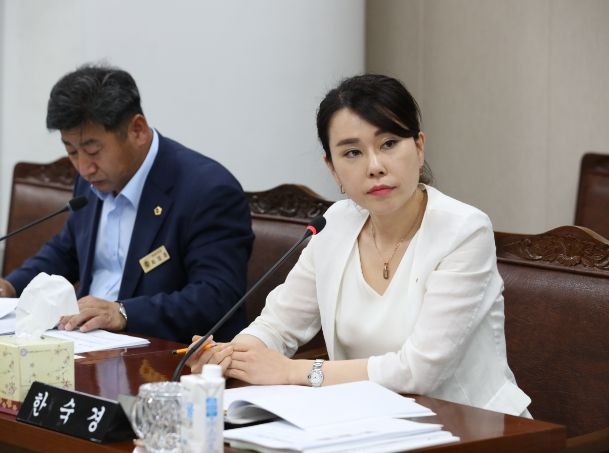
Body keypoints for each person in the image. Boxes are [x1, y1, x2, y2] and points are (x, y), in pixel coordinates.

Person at [187, 74, 531, 417]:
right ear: (332, 168)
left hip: (473, 427)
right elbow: (278, 325)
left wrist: (292, 371)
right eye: (352, 152)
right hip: (367, 423)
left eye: (389, 144)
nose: (375, 167)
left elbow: (420, 371)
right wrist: (230, 357)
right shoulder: (335, 224)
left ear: (419, 147)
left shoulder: (463, 231)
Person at [0, 64, 254, 344]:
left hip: (163, 352)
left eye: (93, 150)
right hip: (86, 342)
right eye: (72, 151)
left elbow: (217, 297)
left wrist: (124, 312)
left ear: (137, 130)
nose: (83, 167)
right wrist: (10, 286)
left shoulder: (207, 190)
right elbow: (66, 251)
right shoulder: (93, 180)